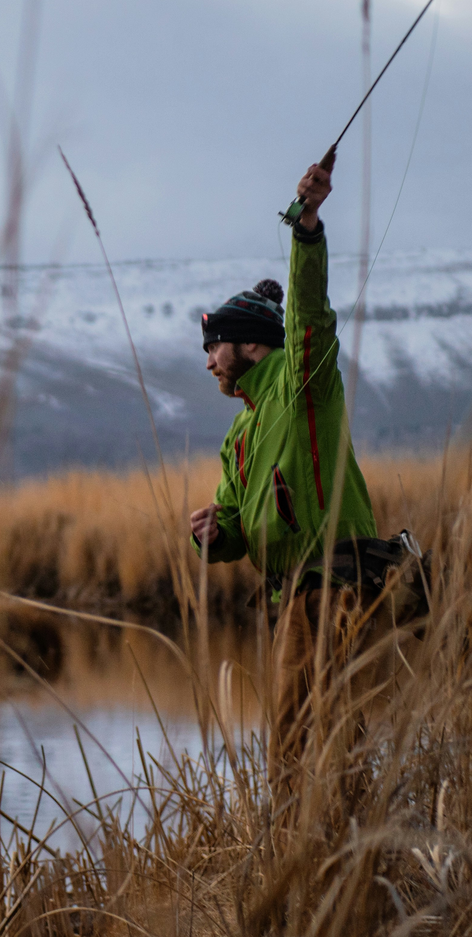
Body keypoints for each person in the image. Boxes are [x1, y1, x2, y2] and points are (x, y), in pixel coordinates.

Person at [187, 162, 403, 781]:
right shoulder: (239, 434)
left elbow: (309, 314)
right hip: (288, 603)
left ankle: (325, 864)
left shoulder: (301, 381)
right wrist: (215, 533)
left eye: (214, 346)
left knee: (300, 762)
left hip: (331, 587)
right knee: (312, 758)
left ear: (251, 343)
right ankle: (339, 859)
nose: (207, 362)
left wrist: (306, 225)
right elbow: (233, 521)